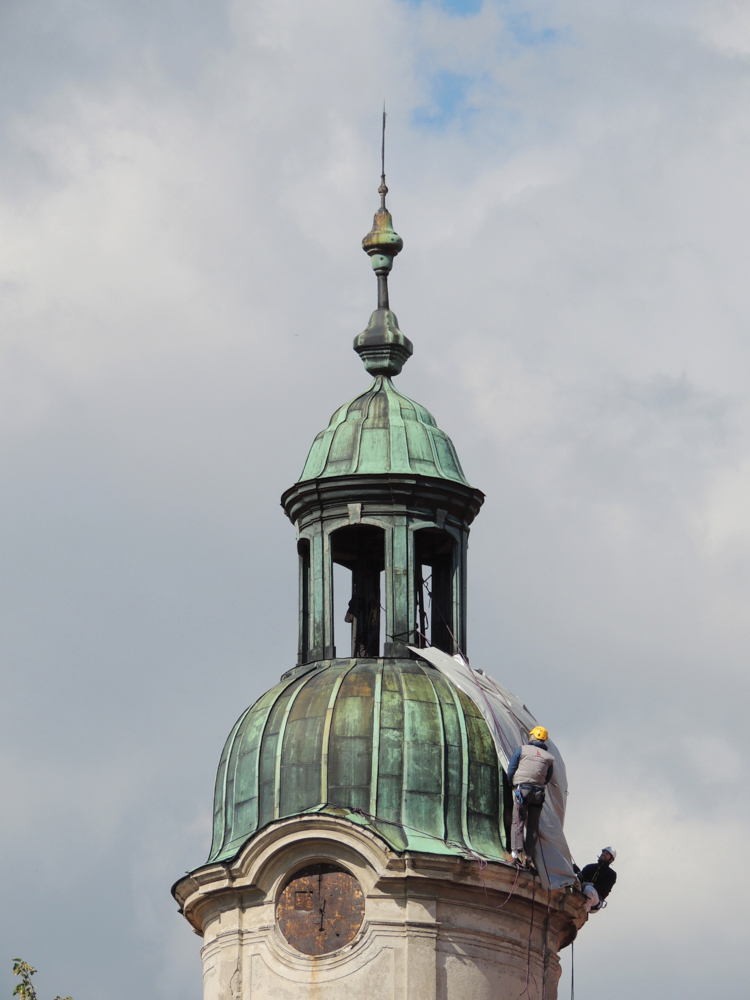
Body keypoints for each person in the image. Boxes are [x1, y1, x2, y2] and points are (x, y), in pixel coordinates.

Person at [506, 726, 555, 868]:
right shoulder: (549, 757)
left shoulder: (522, 750)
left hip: (522, 790)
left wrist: (511, 783)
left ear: (533, 736)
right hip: (538, 793)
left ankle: (516, 853)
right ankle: (528, 856)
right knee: (533, 825)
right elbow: (548, 777)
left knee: (518, 821)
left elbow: (511, 769)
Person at [574, 847, 617, 912]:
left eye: (607, 854)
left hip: (595, 902)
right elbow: (579, 880)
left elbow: (605, 890)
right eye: (603, 852)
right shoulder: (590, 867)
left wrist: (589, 884)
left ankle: (584, 912)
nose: (604, 854)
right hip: (582, 894)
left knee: (589, 889)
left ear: (611, 860)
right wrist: (576, 871)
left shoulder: (611, 874)